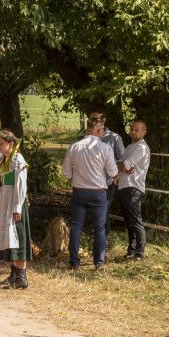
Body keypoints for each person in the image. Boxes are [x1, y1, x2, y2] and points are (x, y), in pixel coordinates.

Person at [62, 119, 119, 270]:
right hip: (98, 192)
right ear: (100, 131)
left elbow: (66, 171)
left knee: (76, 227)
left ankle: (74, 262)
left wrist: (76, 181)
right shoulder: (105, 148)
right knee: (99, 227)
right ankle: (99, 262)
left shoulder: (74, 147)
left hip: (79, 191)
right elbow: (113, 171)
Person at [0, 129, 32, 289]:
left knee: (17, 236)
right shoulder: (5, 159)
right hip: (4, 200)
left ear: (11, 144)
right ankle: (13, 274)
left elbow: (21, 185)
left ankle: (21, 276)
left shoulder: (17, 159)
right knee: (9, 238)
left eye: (1, 144)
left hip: (14, 202)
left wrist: (17, 208)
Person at [89, 109, 126, 249]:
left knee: (103, 213)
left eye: (95, 119)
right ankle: (97, 240)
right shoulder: (86, 138)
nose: (91, 122)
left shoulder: (114, 138)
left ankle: (104, 244)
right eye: (90, 119)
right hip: (90, 183)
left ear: (103, 120)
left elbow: (123, 159)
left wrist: (115, 177)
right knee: (94, 213)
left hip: (106, 183)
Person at [117, 120, 150, 262]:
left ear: (144, 132)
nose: (133, 132)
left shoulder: (141, 148)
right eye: (132, 129)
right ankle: (131, 250)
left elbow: (124, 165)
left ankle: (139, 253)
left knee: (136, 221)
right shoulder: (131, 146)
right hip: (124, 186)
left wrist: (121, 166)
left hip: (133, 188)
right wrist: (121, 166)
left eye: (137, 130)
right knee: (129, 221)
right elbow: (120, 164)